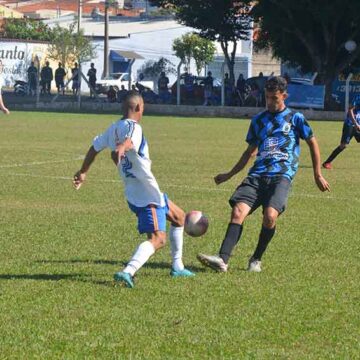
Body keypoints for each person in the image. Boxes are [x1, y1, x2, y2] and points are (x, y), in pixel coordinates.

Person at [197, 76, 330, 273]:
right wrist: (230, 174)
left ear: (284, 96)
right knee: (238, 212)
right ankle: (222, 260)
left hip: (281, 175)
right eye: (267, 98)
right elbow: (249, 152)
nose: (270, 102)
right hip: (257, 175)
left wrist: (317, 174)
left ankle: (256, 259)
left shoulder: (296, 118)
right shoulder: (259, 120)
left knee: (270, 216)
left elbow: (312, 142)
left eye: (274, 98)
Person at [73, 92, 195, 288]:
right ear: (139, 108)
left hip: (137, 190)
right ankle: (127, 271)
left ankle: (177, 266)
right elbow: (128, 142)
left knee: (179, 217)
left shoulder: (112, 129)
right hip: (146, 194)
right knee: (158, 239)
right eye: (144, 107)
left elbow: (94, 148)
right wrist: (120, 149)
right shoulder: (134, 127)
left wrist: (83, 172)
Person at [322, 95, 360, 169]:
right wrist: (355, 123)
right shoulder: (358, 97)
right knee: (343, 145)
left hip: (358, 125)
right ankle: (327, 162)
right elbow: (350, 110)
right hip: (350, 124)